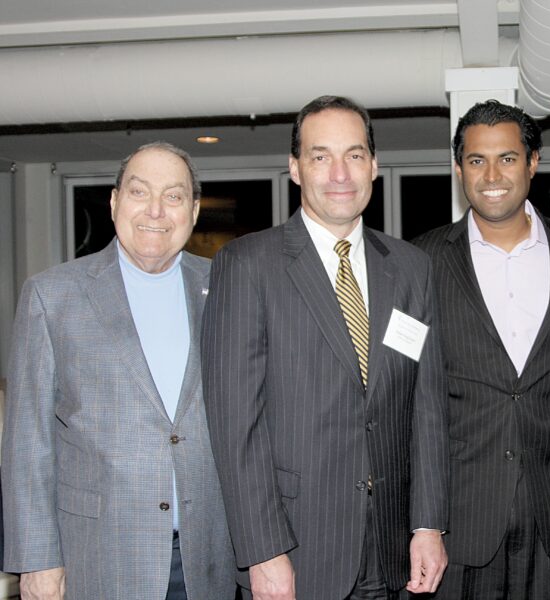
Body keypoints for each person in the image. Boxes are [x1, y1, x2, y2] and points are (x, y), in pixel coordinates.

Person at [201, 95, 449, 600]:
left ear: (375, 166)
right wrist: (264, 552)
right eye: (320, 156)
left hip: (390, 550)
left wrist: (428, 524)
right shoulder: (247, 265)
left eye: (355, 155)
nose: (340, 173)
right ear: (294, 168)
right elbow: (235, 427)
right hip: (296, 551)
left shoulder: (410, 268)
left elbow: (426, 407)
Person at [2, 142, 235, 600]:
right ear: (113, 203)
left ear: (193, 210)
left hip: (208, 556)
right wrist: (37, 561)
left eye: (173, 196)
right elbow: (27, 443)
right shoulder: (53, 297)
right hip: (97, 556)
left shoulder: (227, 290)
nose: (155, 210)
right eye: (139, 192)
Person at [415, 100, 550, 599]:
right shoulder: (422, 259)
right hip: (458, 515)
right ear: (458, 169)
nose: (492, 174)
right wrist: (418, 519)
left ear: (533, 162)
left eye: (508, 158)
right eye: (476, 160)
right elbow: (402, 381)